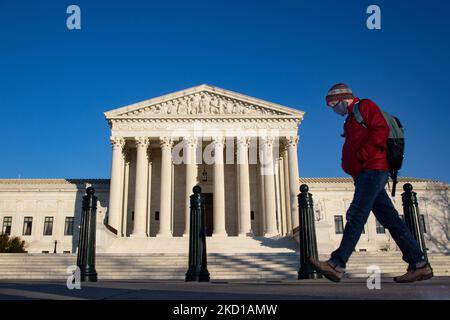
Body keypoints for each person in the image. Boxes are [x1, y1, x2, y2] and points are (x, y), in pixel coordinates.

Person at [309, 83, 433, 283]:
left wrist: (363, 158)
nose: (332, 109)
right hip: (364, 172)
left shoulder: (365, 106)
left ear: (341, 98)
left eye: (332, 104)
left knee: (357, 214)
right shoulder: (350, 120)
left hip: (373, 169)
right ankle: (420, 265)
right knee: (391, 220)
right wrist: (351, 166)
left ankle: (336, 263)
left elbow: (380, 130)